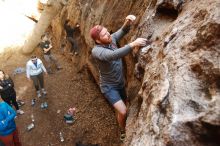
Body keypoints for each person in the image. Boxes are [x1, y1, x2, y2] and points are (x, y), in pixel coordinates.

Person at [90, 15, 147, 141]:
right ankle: (122, 130)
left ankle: (121, 116)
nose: (109, 35)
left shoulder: (111, 39)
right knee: (123, 111)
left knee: (125, 103)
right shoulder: (97, 51)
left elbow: (122, 31)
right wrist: (133, 44)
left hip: (120, 82)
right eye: (105, 35)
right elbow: (114, 55)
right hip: (109, 87)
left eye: (107, 32)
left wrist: (128, 21)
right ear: (98, 41)